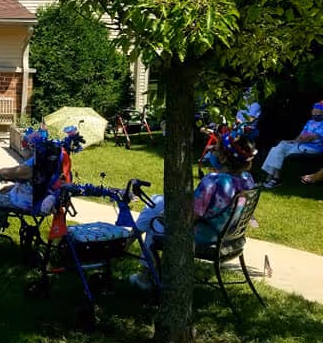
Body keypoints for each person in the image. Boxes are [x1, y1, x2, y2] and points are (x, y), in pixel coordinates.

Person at [131, 128, 257, 290]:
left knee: (154, 224)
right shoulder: (247, 179)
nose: (212, 152)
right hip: (229, 235)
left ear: (224, 157)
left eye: (216, 149)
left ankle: (144, 275)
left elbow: (190, 216)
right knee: (156, 201)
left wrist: (166, 216)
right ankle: (130, 239)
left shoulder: (214, 181)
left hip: (206, 236)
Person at [260, 100, 323, 188]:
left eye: (317, 110)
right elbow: (301, 137)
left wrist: (301, 139)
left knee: (280, 149)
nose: (314, 112)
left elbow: (310, 138)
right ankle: (274, 178)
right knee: (279, 147)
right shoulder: (310, 122)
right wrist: (293, 141)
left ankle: (271, 177)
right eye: (314, 110)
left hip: (313, 149)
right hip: (300, 145)